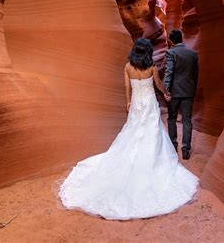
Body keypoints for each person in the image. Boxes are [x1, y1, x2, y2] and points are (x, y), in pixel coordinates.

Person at [57, 38, 199, 220]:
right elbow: (158, 84)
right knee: (151, 133)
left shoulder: (127, 67)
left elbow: (126, 86)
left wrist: (128, 102)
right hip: (148, 104)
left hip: (137, 105)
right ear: (147, 52)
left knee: (133, 132)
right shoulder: (151, 68)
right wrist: (166, 93)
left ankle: (134, 157)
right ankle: (150, 159)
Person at [163, 30, 199, 160]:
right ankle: (186, 150)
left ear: (171, 40)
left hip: (174, 92)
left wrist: (165, 90)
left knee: (172, 119)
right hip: (188, 92)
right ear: (181, 38)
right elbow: (195, 75)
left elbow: (169, 72)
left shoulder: (171, 53)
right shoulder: (193, 54)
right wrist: (192, 90)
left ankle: (173, 146)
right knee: (187, 120)